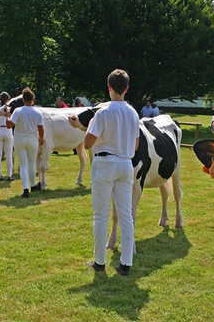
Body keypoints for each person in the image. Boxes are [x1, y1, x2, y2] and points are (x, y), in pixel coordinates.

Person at [84, 69, 139, 277]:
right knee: (126, 216)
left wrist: (90, 127)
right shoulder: (133, 113)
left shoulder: (103, 113)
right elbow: (135, 146)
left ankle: (100, 261)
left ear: (109, 88)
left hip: (105, 163)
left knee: (101, 215)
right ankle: (126, 263)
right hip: (126, 163)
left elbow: (88, 143)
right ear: (126, 89)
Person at [7, 87, 44, 198]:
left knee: (23, 165)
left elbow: (9, 125)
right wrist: (41, 139)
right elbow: (41, 129)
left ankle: (25, 189)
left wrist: (8, 115)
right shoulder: (38, 112)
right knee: (31, 164)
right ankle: (33, 185)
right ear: (33, 100)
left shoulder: (18, 111)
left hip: (19, 138)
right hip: (32, 138)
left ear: (23, 99)